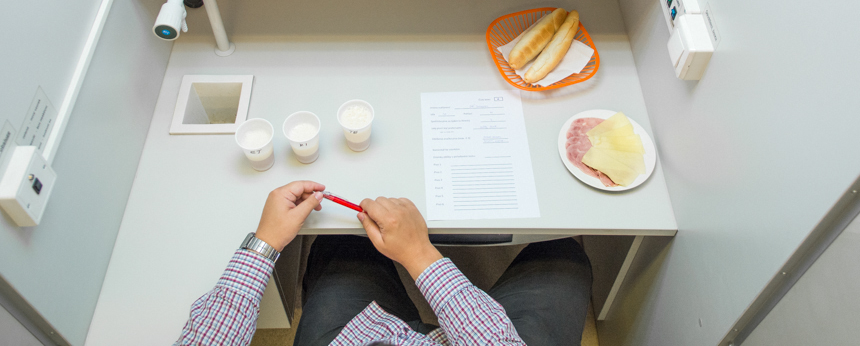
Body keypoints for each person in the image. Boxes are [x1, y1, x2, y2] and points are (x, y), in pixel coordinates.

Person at [174, 181, 592, 346]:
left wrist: (264, 244)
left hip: (352, 339)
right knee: (565, 260)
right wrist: (420, 255)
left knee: (341, 248)